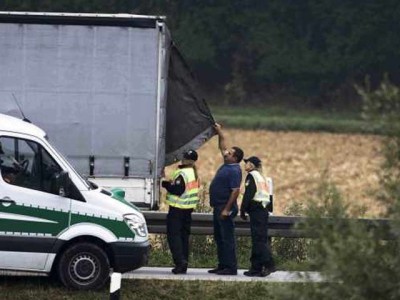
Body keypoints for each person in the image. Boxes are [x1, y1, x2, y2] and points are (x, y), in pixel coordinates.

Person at [208, 123, 243, 275]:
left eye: (230, 153)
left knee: (227, 238)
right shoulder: (227, 164)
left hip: (225, 207)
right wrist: (219, 132)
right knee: (219, 237)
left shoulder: (234, 170)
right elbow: (222, 146)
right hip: (218, 206)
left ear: (235, 157)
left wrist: (227, 209)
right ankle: (222, 265)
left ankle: (231, 267)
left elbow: (235, 191)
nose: (226, 153)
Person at [162, 149, 200, 274]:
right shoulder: (194, 173)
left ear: (185, 159)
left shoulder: (182, 173)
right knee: (184, 237)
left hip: (177, 209)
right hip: (188, 210)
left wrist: (166, 185)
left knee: (174, 237)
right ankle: (184, 263)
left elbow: (177, 190)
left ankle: (179, 262)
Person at [240, 156, 276, 277]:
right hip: (263, 210)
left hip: (256, 210)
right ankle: (256, 269)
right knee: (259, 240)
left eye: (247, 163)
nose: (245, 165)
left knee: (259, 241)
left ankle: (269, 264)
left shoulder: (252, 176)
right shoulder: (262, 177)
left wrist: (242, 209)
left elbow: (248, 194)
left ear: (252, 165)